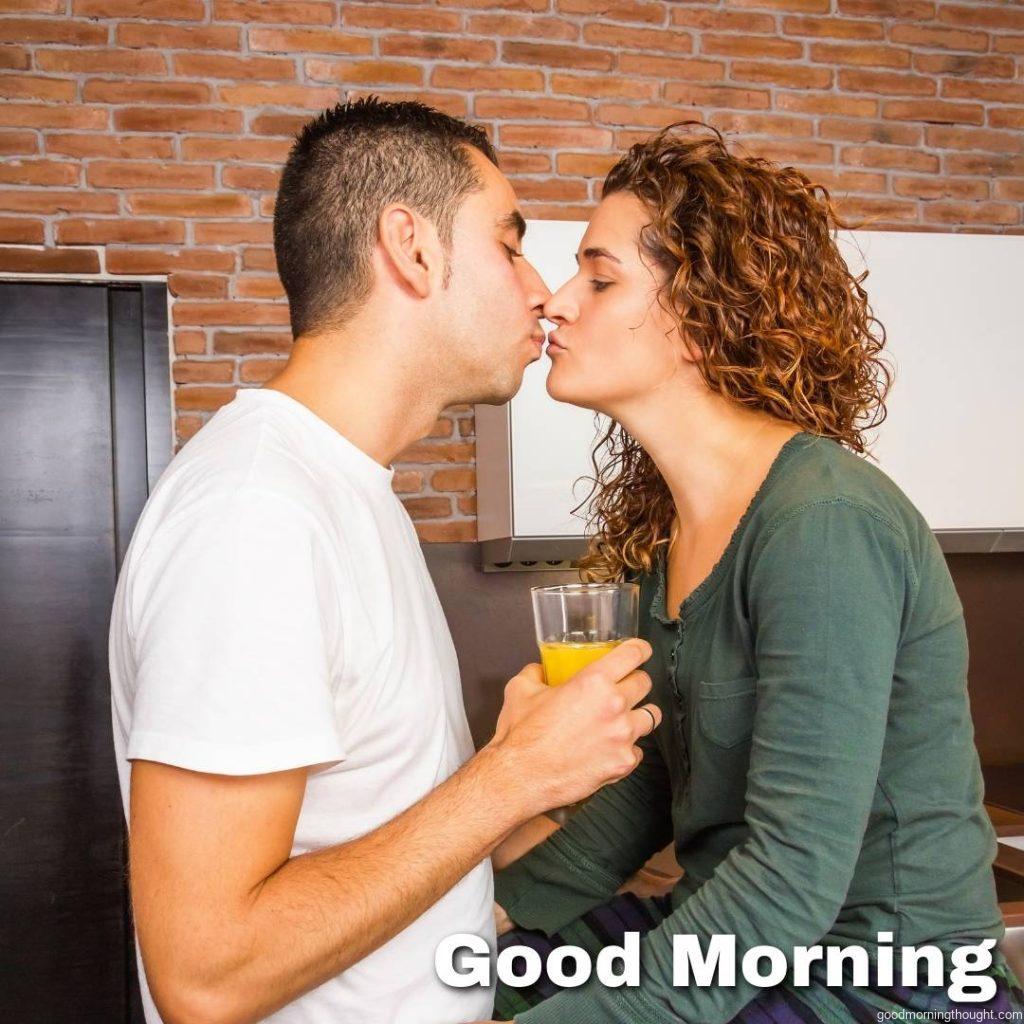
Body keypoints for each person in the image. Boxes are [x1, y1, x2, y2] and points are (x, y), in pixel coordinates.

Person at [107, 97, 662, 1024]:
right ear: (412, 248)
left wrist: (523, 774)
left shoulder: (351, 496)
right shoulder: (258, 516)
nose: (541, 290)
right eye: (510, 244)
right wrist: (510, 776)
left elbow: (372, 847)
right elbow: (206, 973)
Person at [487, 122, 1024, 1024]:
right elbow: (643, 802)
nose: (558, 303)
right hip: (745, 940)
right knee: (458, 977)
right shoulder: (685, 537)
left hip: (893, 983)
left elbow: (789, 877)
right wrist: (487, 922)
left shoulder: (821, 523)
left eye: (601, 277)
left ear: (699, 317)